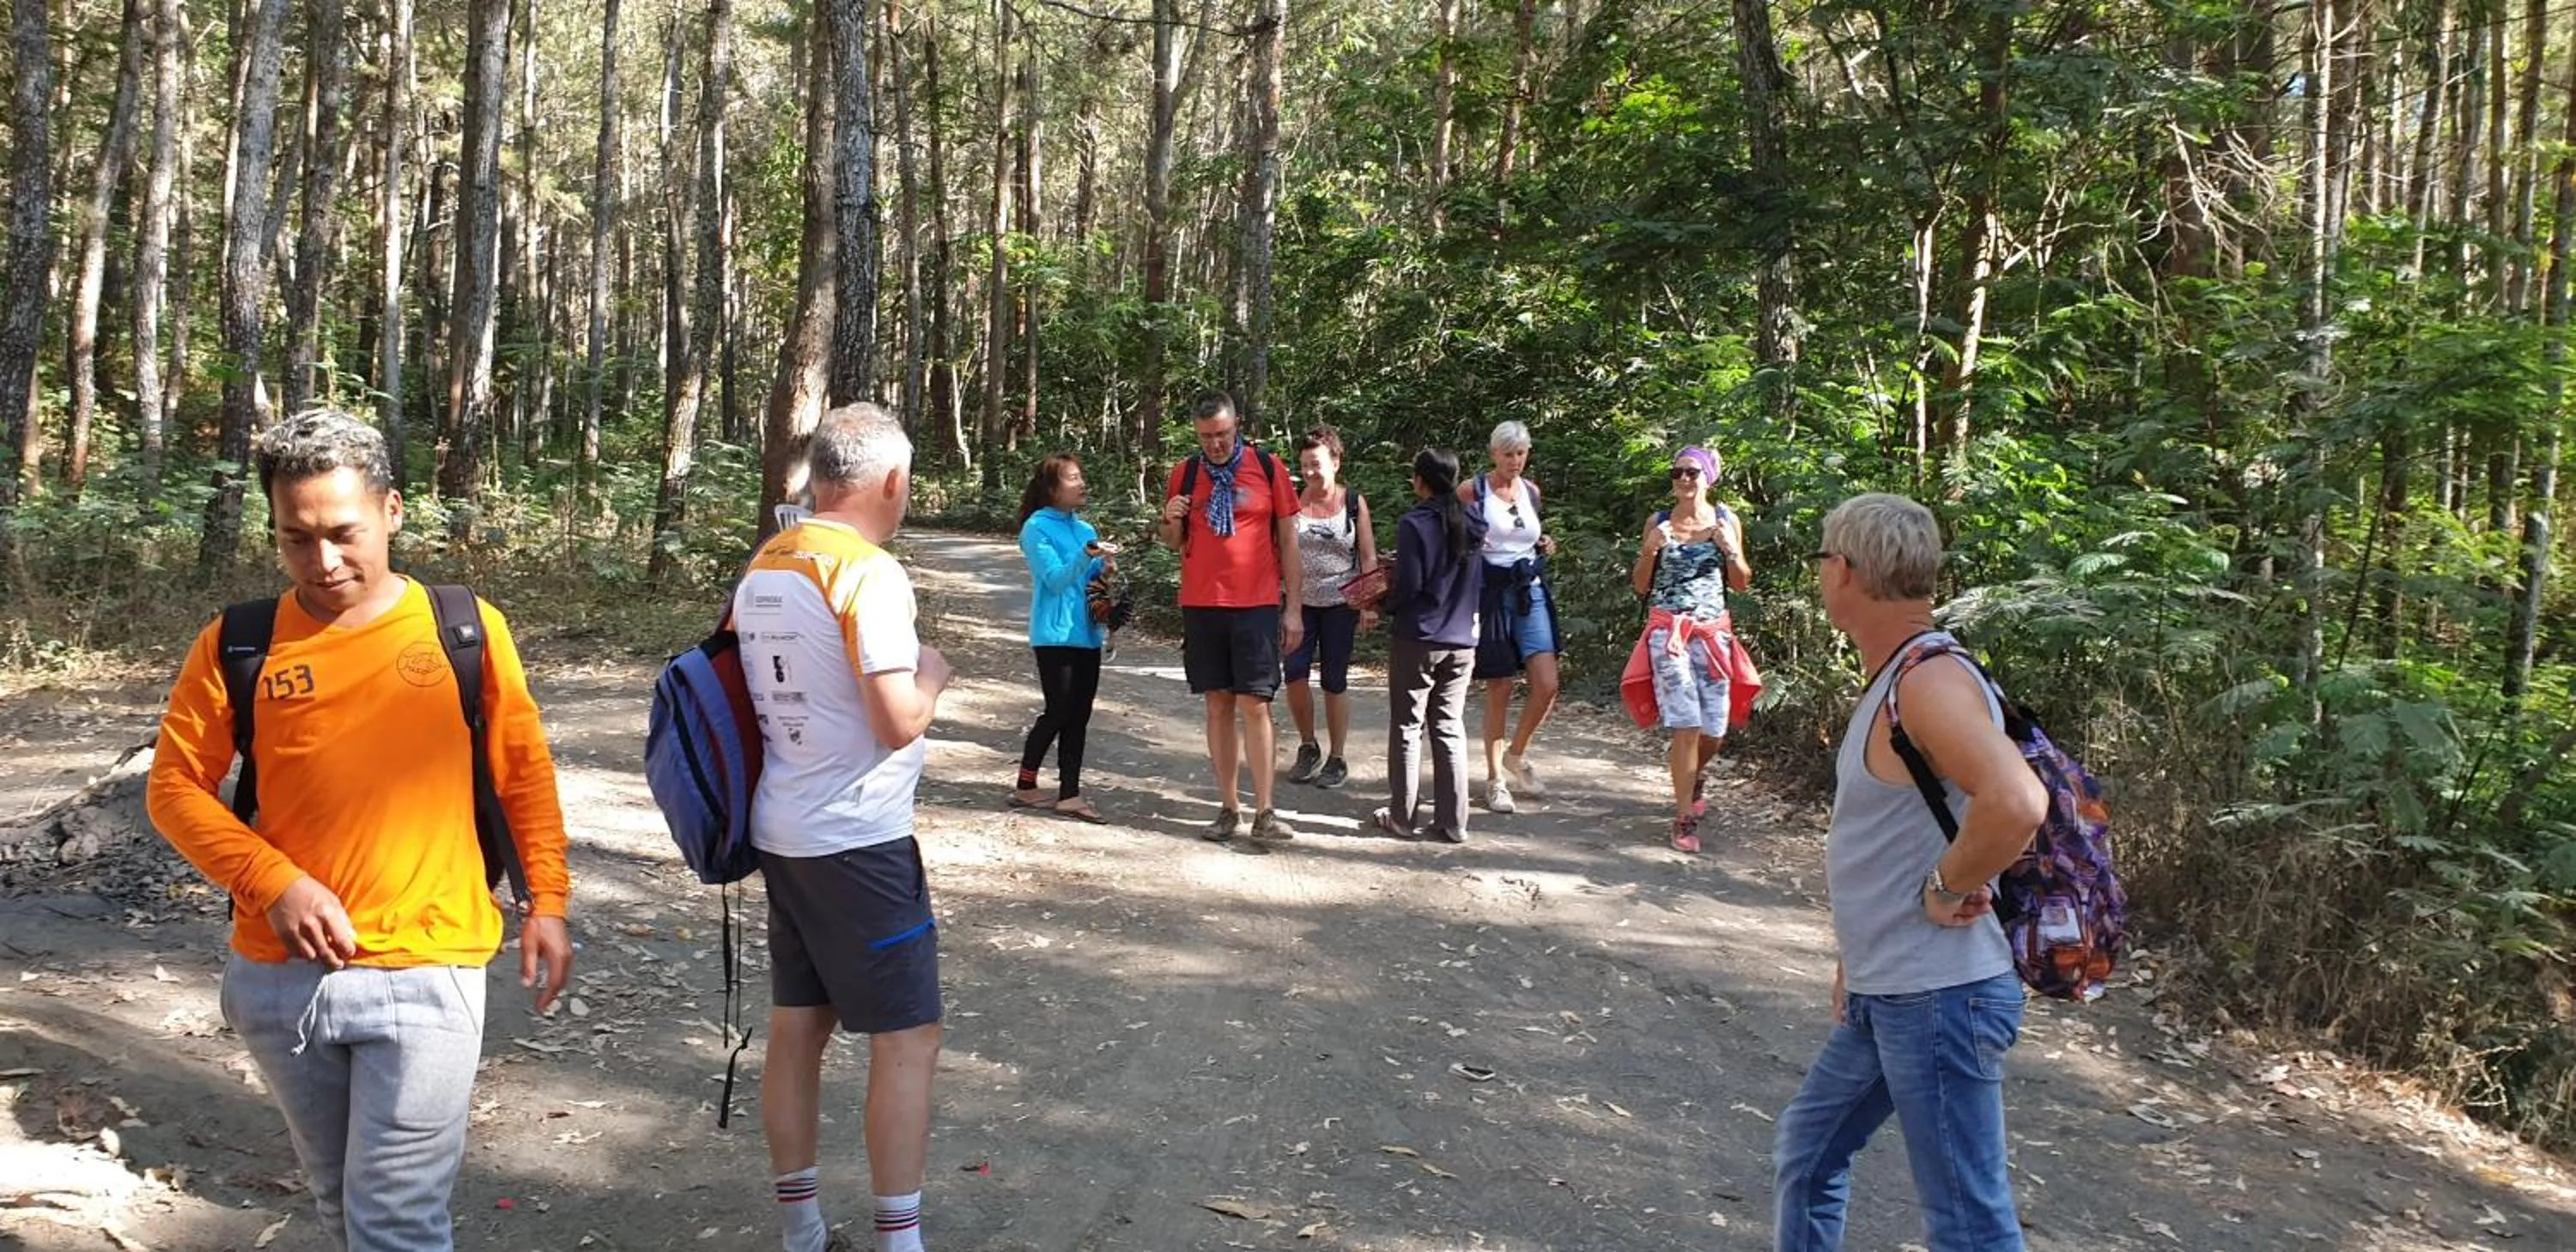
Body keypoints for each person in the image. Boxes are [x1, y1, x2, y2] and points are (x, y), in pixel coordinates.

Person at [146, 409, 575, 1252]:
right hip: (281, 981)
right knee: (341, 1204)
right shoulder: (239, 643)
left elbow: (522, 773)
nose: (324, 561)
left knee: (396, 1223)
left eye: (343, 532)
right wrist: (274, 882)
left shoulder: (464, 629)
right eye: (295, 539)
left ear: (393, 511)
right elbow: (173, 787)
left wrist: (547, 902)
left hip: (429, 965)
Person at [1771, 493, 2048, 1252]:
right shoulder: (1903, 675)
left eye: (1823, 558)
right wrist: (1854, 962)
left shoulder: (1927, 683)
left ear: (1849, 573)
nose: (1819, 573)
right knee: (1810, 1153)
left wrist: (1945, 888)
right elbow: (1895, 833)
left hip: (1938, 997)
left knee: (1969, 1224)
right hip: (1890, 986)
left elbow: (2018, 800)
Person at [735, 404, 953, 1252]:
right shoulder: (867, 572)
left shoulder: (768, 562)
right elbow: (897, 718)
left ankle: (803, 1232)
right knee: (909, 1039)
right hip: (858, 838)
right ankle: (900, 1241)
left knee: (800, 1023)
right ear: (891, 483)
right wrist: (934, 673)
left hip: (784, 825)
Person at [1157, 389, 1303, 848]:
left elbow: (1288, 538)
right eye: (1206, 437)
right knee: (1217, 704)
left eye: (1221, 434)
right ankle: (1228, 808)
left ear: (1236, 425)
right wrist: (1171, 517)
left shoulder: (1266, 467)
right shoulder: (1186, 473)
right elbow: (1171, 542)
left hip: (1255, 603)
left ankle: (1265, 810)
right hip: (1202, 604)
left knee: (1255, 703)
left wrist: (1293, 608)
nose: (1215, 444)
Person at [1626, 446, 1752, 853]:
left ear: (1708, 477)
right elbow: (1641, 586)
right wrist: (1649, 550)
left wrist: (1729, 548)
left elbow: (1741, 583)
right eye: (1677, 472)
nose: (1683, 479)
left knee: (1713, 730)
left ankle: (1695, 777)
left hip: (1713, 633)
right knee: (1688, 723)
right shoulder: (1658, 522)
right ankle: (1684, 818)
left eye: (1692, 473)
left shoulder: (1726, 520)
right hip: (1669, 632)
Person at [1372, 448, 1485, 844]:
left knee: (1407, 725)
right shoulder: (1474, 520)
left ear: (1419, 481)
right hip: (1462, 639)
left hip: (1419, 637)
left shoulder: (1415, 523)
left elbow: (1410, 585)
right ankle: (1453, 822)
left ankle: (1403, 817)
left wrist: (1383, 602)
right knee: (1449, 726)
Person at [1460, 421, 1561, 814]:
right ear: (1493, 454)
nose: (1515, 461)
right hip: (1490, 593)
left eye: (1520, 453)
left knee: (1547, 682)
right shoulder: (1474, 490)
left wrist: (1545, 543)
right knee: (1499, 685)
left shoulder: (1531, 491)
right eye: (1507, 453)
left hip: (1528, 590)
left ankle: (1515, 754)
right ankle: (1494, 779)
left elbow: (1529, 533)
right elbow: (1449, 531)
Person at [1012, 453, 1110, 824]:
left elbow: (1091, 582)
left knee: (1079, 715)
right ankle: (1026, 784)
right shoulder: (1036, 528)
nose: (1081, 483)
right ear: (1051, 488)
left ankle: (1070, 793)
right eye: (1072, 478)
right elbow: (1054, 579)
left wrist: (1106, 568)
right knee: (1059, 710)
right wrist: (1087, 557)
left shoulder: (1085, 530)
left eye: (1080, 476)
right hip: (1054, 635)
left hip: (1086, 634)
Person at [1282, 426, 1378, 790]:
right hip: (1300, 603)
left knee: (1334, 680)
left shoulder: (1353, 502)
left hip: (1341, 604)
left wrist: (1368, 604)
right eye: (1305, 465)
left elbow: (1367, 556)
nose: (1310, 472)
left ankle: (1337, 757)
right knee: (1294, 673)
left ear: (1336, 462)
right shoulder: (1291, 504)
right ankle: (1308, 745)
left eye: (1317, 464)